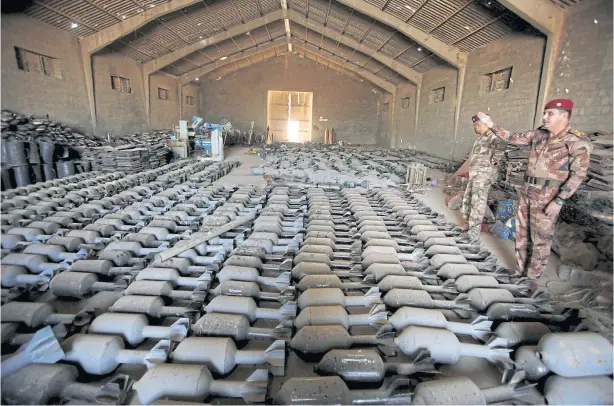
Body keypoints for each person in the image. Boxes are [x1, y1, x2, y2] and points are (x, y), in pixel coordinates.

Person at [476, 99, 592, 280]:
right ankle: (520, 271)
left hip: (549, 196)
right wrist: (491, 124)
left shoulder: (575, 141)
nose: (545, 117)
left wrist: (560, 200)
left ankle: (531, 280)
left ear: (564, 115)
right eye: (545, 113)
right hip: (527, 191)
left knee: (540, 240)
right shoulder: (539, 134)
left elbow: (578, 174)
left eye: (550, 114)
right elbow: (511, 137)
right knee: (521, 235)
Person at [458, 115, 505, 243]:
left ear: (480, 125)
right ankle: (467, 225)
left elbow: (501, 145)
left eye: (476, 126)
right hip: (475, 175)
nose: (475, 128)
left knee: (477, 204)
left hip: (483, 176)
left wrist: (494, 163)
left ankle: (473, 234)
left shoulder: (492, 136)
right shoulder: (481, 138)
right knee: (468, 199)